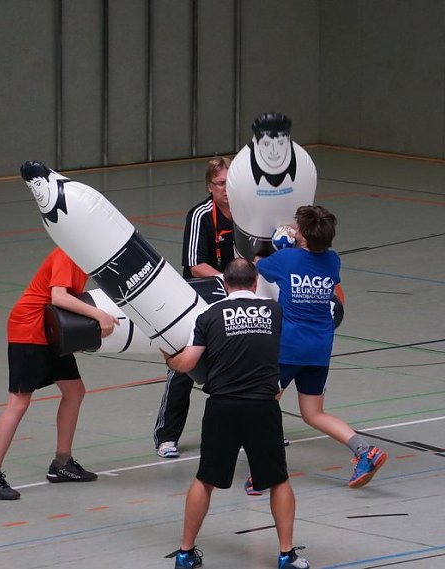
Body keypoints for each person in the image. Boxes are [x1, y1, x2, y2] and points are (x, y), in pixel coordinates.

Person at [162, 258, 309, 569]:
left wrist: (169, 359)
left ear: (224, 285)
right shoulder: (275, 311)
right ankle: (286, 555)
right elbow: (281, 347)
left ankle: (186, 553)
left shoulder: (209, 315)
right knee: (278, 480)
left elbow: (187, 364)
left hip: (222, 407)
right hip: (262, 406)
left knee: (205, 480)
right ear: (255, 283)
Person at [255, 205, 387, 490]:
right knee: (314, 413)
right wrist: (296, 244)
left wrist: (281, 244)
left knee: (263, 407)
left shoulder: (287, 259)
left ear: (301, 234)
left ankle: (264, 471)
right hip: (320, 348)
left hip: (288, 348)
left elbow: (259, 265)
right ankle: (365, 451)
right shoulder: (333, 261)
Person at [0, 247, 118, 500]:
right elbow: (59, 298)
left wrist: (74, 335)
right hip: (28, 330)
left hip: (50, 330)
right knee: (18, 402)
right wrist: (98, 315)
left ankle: (62, 464)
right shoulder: (66, 254)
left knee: (74, 391)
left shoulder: (85, 257)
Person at [153, 157, 235, 459]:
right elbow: (193, 265)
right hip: (199, 300)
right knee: (184, 367)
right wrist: (227, 280)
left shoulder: (248, 212)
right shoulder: (201, 215)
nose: (226, 189)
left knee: (249, 362)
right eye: (220, 183)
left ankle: (261, 429)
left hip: (239, 296)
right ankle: (167, 436)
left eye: (230, 182)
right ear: (209, 186)